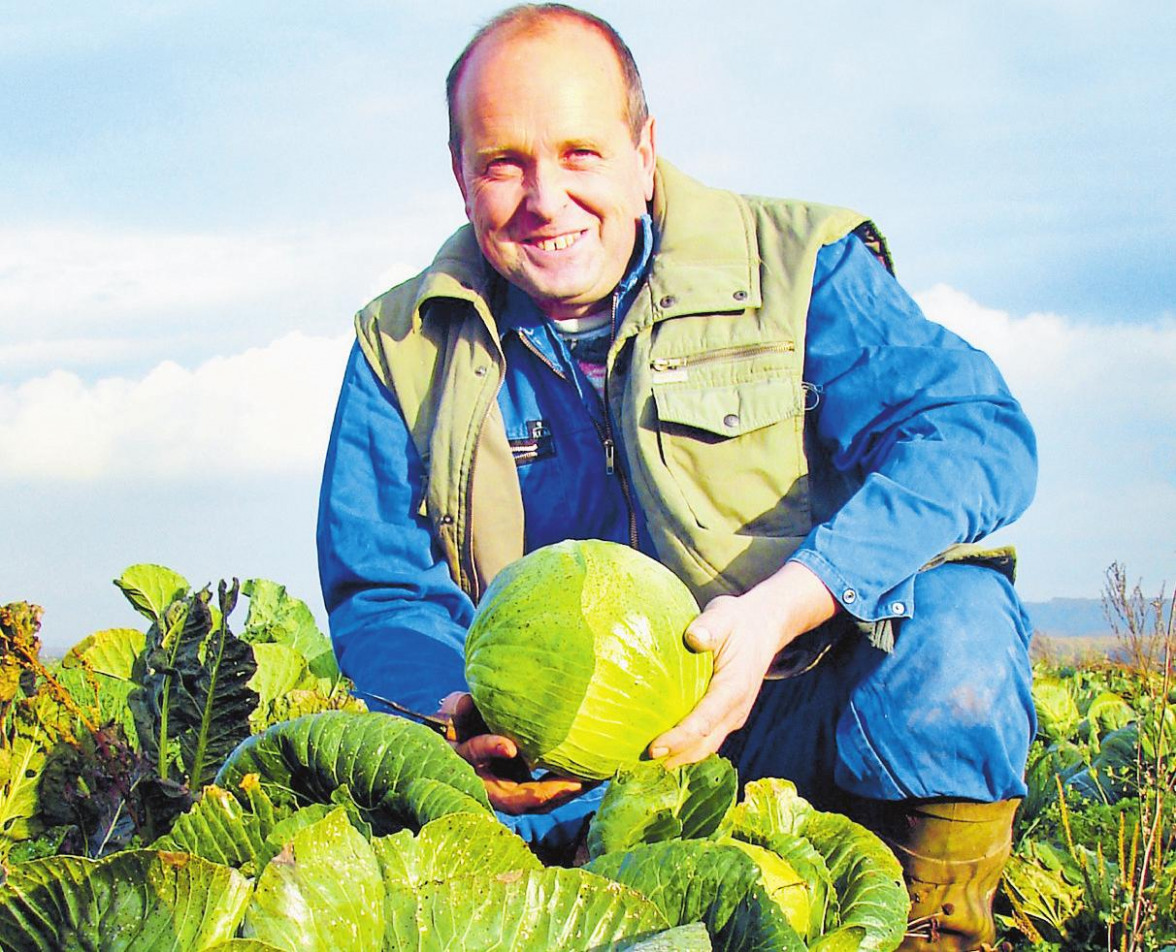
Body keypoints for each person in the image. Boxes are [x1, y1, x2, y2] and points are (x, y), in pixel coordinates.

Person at [317, 4, 1037, 948]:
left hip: (789, 712)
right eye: (503, 163)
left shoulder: (796, 266)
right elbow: (382, 584)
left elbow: (972, 434)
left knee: (958, 628)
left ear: (644, 148)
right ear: (460, 176)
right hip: (557, 769)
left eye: (581, 152)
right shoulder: (404, 343)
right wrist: (455, 705)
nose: (545, 197)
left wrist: (791, 601)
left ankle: (931, 929)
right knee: (318, 790)